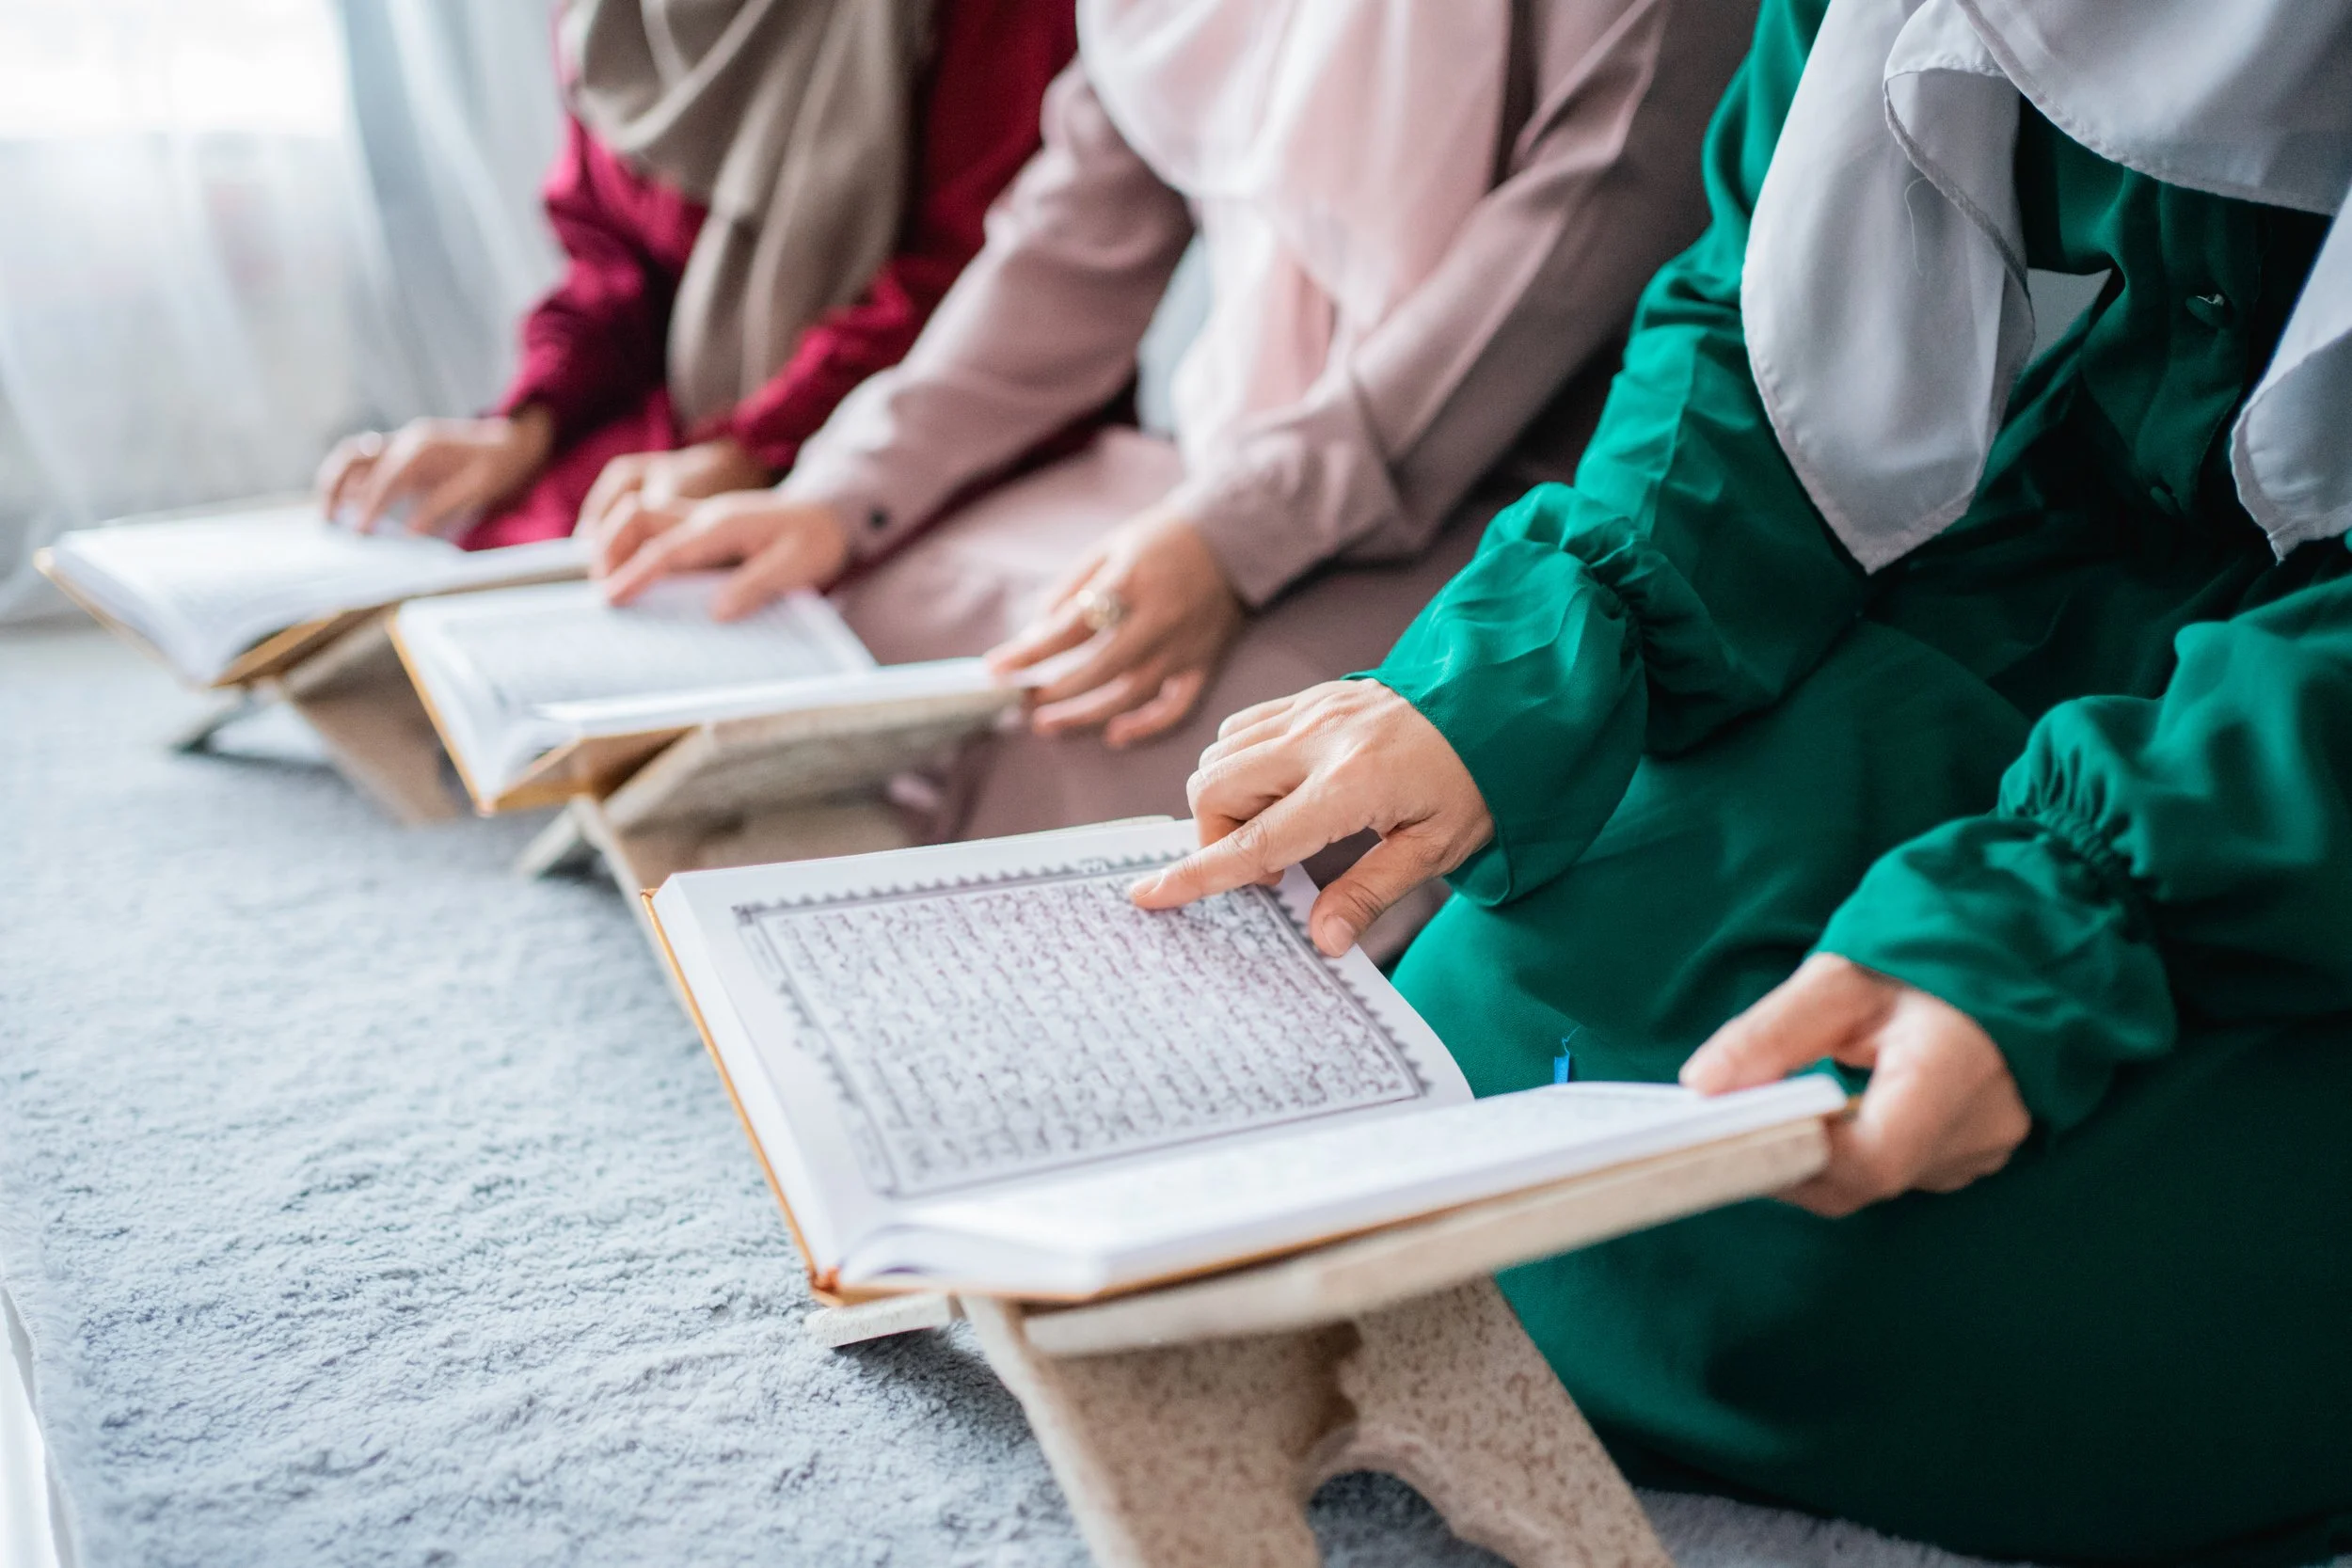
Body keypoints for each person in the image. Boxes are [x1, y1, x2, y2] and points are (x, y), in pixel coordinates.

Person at [1130, 0, 2352, 1560]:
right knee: (1493, 1031)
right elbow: (1765, 290)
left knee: (1859, 1246)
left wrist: (2072, 912)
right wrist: (1520, 663)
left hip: (2305, 753)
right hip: (2045, 569)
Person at [591, 0, 1762, 854]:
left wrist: (1228, 540)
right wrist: (839, 493)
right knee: (876, 614)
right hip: (1240, 436)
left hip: (1526, 495)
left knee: (1112, 742)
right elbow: (1069, 243)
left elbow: (1549, 279)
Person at [316, 0, 1076, 550]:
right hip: (696, 428)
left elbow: (969, 278)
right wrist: (520, 429)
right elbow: (611, 262)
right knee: (464, 588)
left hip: (925, 428)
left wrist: (750, 453)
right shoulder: (609, 20)